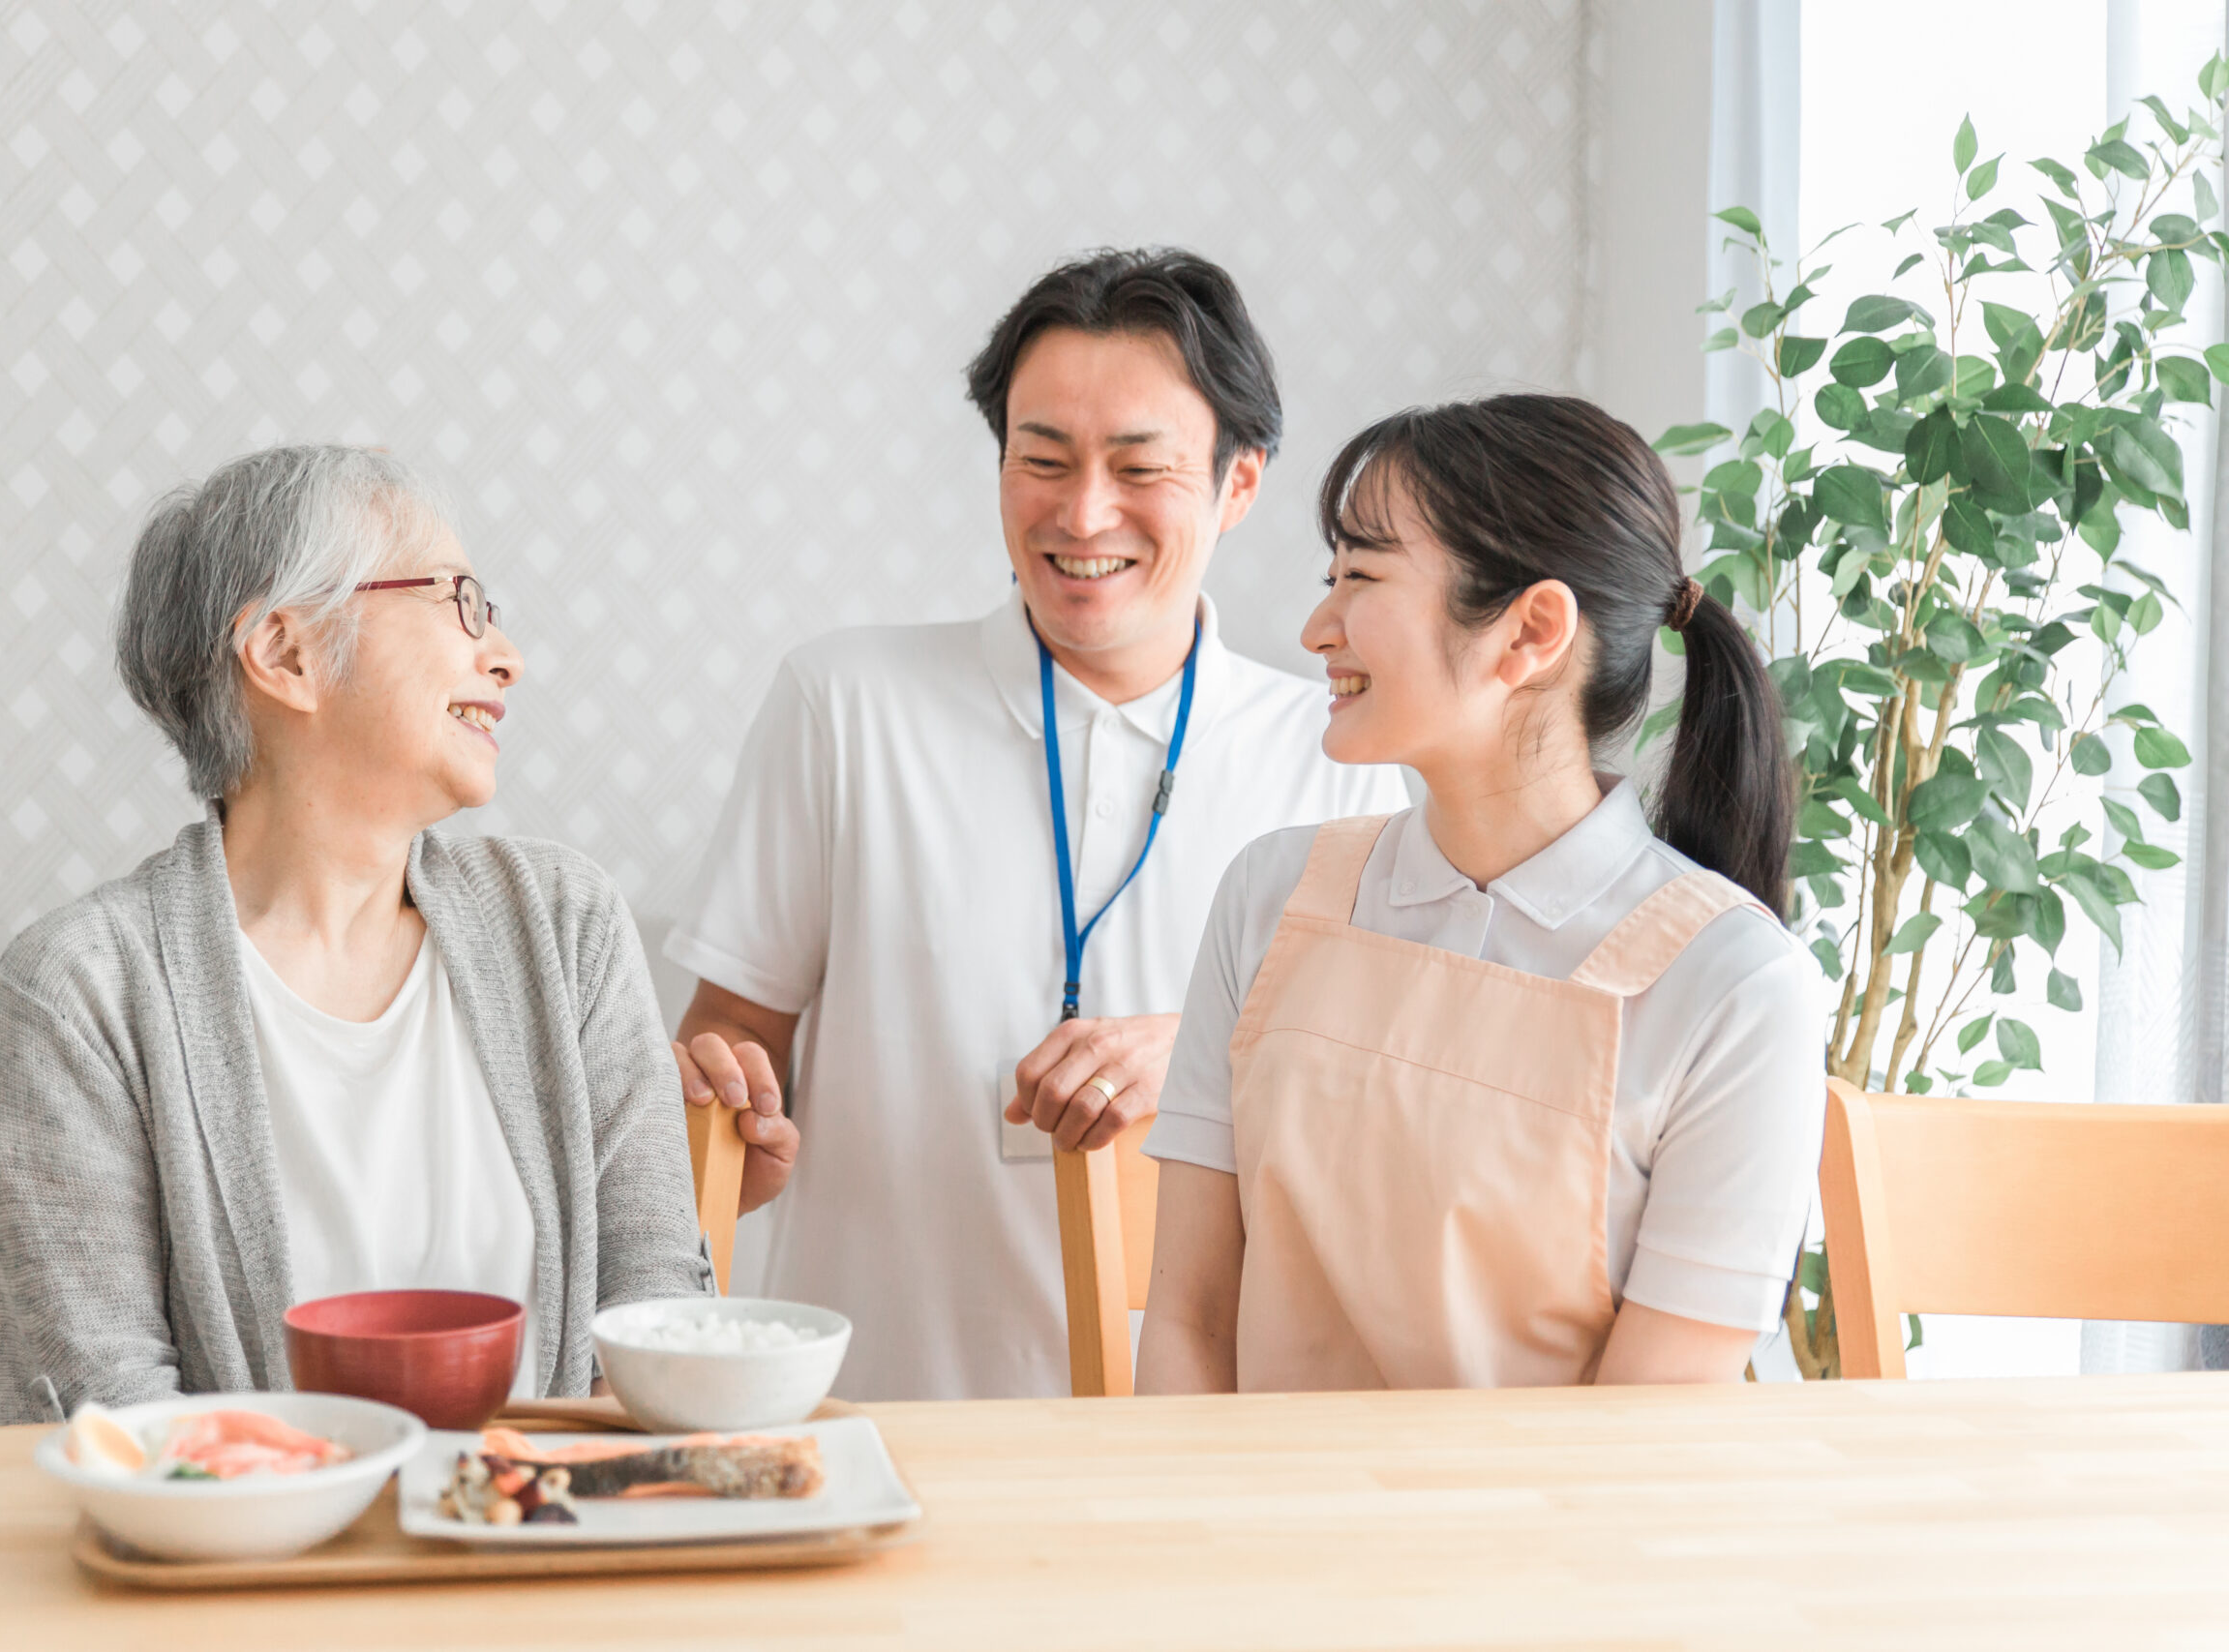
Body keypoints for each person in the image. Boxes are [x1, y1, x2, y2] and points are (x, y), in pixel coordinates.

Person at [663, 248, 1406, 1400]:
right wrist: (717, 1123)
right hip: (879, 1415)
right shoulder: (846, 705)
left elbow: (1393, 1127)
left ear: (1239, 485)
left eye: (1139, 467)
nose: (1082, 513)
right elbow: (729, 1059)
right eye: (1041, 460)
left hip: (1207, 1446)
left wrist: (1215, 1050)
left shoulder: (1343, 757)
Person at [0, 445, 708, 1425]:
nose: (505, 654)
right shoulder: (82, 989)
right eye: (460, 602)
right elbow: (98, 1414)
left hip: (548, 1549)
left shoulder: (566, 927)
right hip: (240, 1565)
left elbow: (656, 1323)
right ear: (284, 653)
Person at [1138, 394, 1825, 1395]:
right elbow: (1189, 1324)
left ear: (1531, 630)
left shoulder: (1735, 985)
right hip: (1265, 1533)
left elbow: (1649, 1436)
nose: (1314, 627)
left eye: (1361, 577)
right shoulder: (1271, 894)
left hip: (1559, 1543)